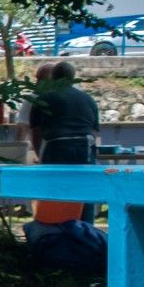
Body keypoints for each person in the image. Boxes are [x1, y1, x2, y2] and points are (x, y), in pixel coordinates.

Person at [23, 60, 106, 274]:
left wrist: (41, 154)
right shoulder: (88, 99)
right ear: (72, 77)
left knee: (55, 191)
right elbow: (95, 132)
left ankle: (54, 240)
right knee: (84, 192)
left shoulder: (46, 98)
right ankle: (87, 235)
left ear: (54, 78)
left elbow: (37, 131)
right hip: (84, 147)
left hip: (57, 145)